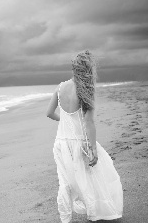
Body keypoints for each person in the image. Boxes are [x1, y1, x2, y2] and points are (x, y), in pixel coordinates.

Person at [46, 50, 123, 222]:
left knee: (65, 181)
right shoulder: (86, 90)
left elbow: (49, 112)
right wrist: (93, 148)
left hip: (61, 143)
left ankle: (65, 218)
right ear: (88, 70)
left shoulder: (60, 87)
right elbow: (89, 122)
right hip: (79, 143)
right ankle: (92, 214)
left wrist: (64, 124)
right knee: (87, 179)